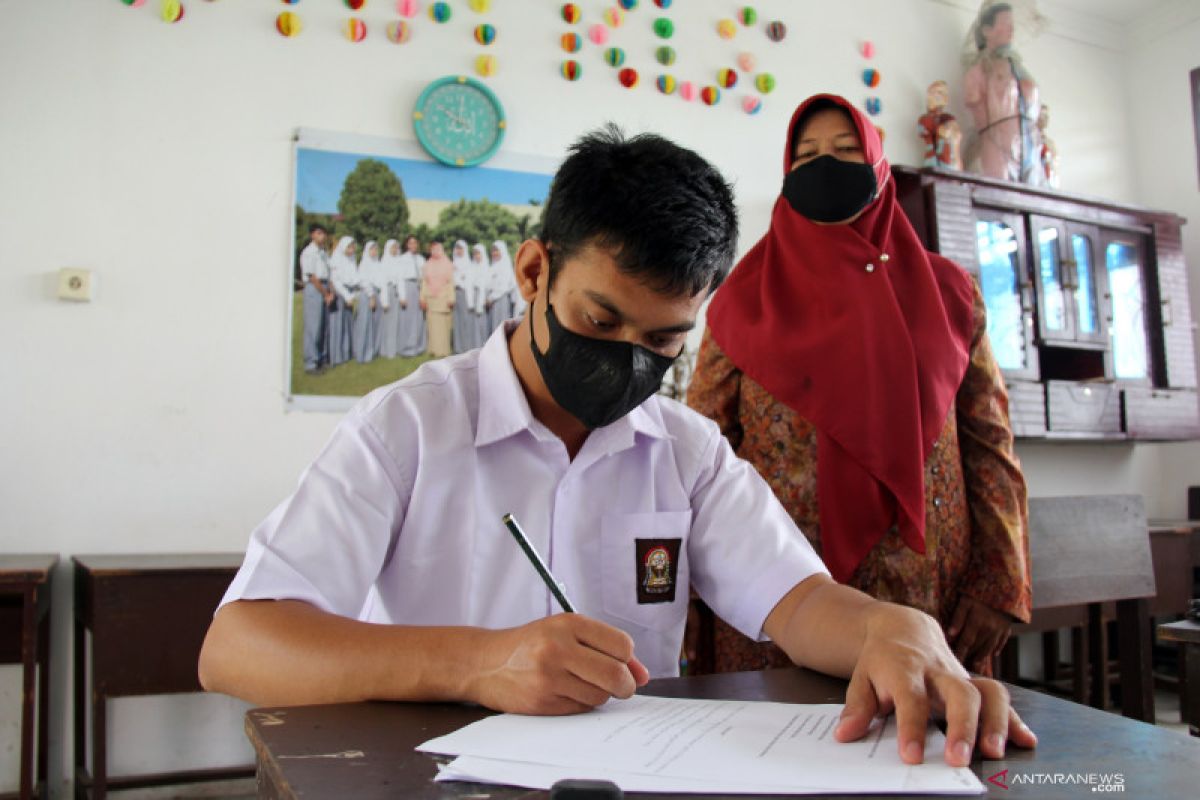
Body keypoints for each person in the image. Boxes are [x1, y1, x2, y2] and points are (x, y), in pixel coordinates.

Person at [199, 126, 1036, 769]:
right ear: (534, 271)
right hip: (425, 776)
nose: (627, 359)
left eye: (664, 340)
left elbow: (800, 603)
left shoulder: (685, 449)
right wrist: (479, 664)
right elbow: (238, 645)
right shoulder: (409, 427)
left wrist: (893, 629)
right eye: (600, 322)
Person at [686, 94, 1032, 677]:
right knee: (775, 753)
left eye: (847, 151)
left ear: (877, 167)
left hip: (928, 593)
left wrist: (1001, 582)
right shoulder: (742, 300)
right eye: (808, 154)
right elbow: (699, 455)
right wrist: (688, 595)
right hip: (776, 591)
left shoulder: (950, 293)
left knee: (925, 747)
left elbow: (988, 442)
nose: (826, 166)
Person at [962, 1, 1042, 184]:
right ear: (986, 30)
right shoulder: (980, 70)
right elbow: (973, 99)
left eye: (1011, 23)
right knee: (999, 192)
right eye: (1005, 22)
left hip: (1028, 145)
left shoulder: (1018, 68)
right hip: (996, 146)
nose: (1011, 28)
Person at [298, 224, 333, 374]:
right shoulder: (309, 252)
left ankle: (321, 358)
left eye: (324, 233)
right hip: (315, 288)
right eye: (319, 233)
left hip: (324, 286)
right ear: (312, 235)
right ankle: (311, 363)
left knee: (323, 326)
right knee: (313, 326)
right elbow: (312, 276)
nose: (322, 236)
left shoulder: (323, 252)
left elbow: (327, 272)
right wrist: (326, 294)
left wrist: (330, 291)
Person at [420, 241, 456, 358]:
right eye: (433, 249)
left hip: (443, 298)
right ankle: (433, 349)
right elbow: (424, 282)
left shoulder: (448, 264)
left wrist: (451, 298)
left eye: (438, 249)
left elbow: (451, 283)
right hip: (431, 299)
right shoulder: (427, 264)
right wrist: (422, 298)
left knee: (443, 326)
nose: (436, 252)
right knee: (432, 325)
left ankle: (443, 350)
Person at [327, 236, 358, 367]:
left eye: (353, 247)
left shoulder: (352, 258)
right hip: (340, 294)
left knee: (347, 324)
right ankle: (336, 356)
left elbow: (354, 277)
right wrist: (347, 296)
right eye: (349, 247)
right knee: (338, 325)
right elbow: (335, 281)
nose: (351, 250)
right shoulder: (336, 258)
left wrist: (354, 293)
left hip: (350, 293)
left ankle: (346, 353)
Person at [916, 80, 962, 170]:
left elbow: (954, 135)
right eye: (931, 93)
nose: (934, 96)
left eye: (939, 93)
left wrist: (946, 131)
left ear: (945, 99)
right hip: (932, 157)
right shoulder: (925, 119)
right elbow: (923, 130)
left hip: (947, 159)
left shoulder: (948, 118)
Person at [395, 234, 427, 357]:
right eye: (411, 243)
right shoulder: (402, 259)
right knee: (407, 319)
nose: (413, 245)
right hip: (408, 287)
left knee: (418, 318)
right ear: (407, 245)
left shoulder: (420, 259)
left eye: (415, 243)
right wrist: (402, 296)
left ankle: (418, 346)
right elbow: (400, 278)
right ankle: (406, 347)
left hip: (419, 287)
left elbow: (424, 276)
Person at [352, 241, 381, 364]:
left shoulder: (377, 263)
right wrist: (371, 296)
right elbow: (363, 281)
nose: (374, 252)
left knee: (373, 325)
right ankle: (361, 353)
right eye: (372, 249)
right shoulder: (364, 264)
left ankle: (371, 352)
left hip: (376, 293)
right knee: (364, 324)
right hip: (368, 295)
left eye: (376, 249)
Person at [486, 240, 518, 333]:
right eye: (493, 251)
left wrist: (491, 298)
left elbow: (503, 287)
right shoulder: (492, 266)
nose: (494, 253)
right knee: (493, 327)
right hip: (492, 301)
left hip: (501, 300)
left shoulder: (505, 266)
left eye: (497, 251)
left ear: (502, 251)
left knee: (501, 327)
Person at [377, 239, 402, 359]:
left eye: (396, 247)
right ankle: (387, 350)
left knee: (396, 322)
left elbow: (400, 279)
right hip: (388, 292)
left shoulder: (398, 260)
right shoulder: (384, 261)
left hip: (397, 293)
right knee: (388, 323)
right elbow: (382, 282)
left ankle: (395, 348)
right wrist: (385, 301)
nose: (395, 250)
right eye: (392, 247)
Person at [451, 239, 475, 354]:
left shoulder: (468, 264)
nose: (459, 251)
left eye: (461, 248)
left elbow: (468, 282)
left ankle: (466, 347)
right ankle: (458, 347)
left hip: (465, 294)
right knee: (457, 320)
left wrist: (459, 277)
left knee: (466, 321)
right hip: (455, 293)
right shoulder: (453, 263)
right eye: (457, 248)